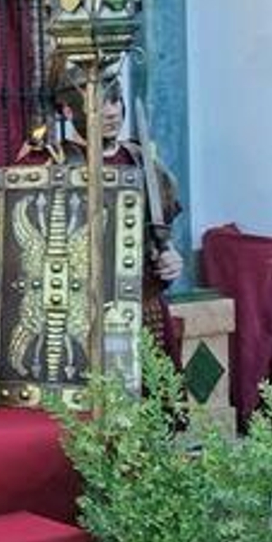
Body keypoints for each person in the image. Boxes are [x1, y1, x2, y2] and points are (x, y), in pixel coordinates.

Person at [47, 69, 185, 353]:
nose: (112, 112)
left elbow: (162, 240)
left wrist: (170, 258)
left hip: (146, 309)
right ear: (68, 110)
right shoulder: (51, 167)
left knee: (156, 382)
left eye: (115, 100)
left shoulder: (143, 162)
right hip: (81, 319)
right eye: (99, 103)